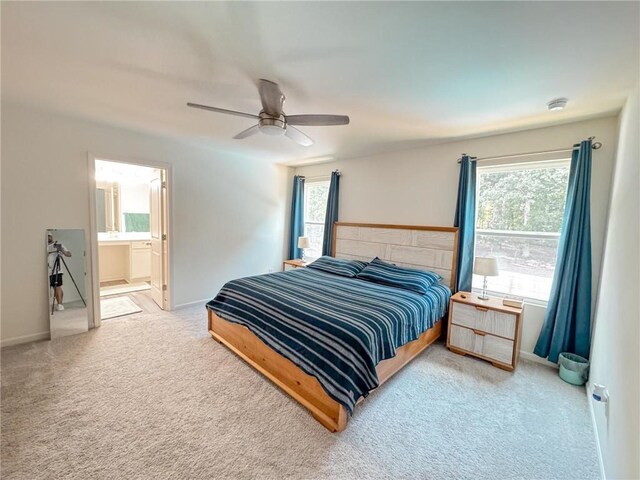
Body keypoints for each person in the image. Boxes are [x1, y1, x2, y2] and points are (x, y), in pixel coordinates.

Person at [47, 233, 72, 311]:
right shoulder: (45, 246)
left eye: (49, 236)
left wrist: (62, 249)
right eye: (47, 236)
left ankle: (60, 304)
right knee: (55, 288)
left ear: (52, 236)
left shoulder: (58, 245)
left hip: (56, 270)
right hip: (48, 270)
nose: (48, 237)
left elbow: (69, 254)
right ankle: (58, 303)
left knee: (57, 287)